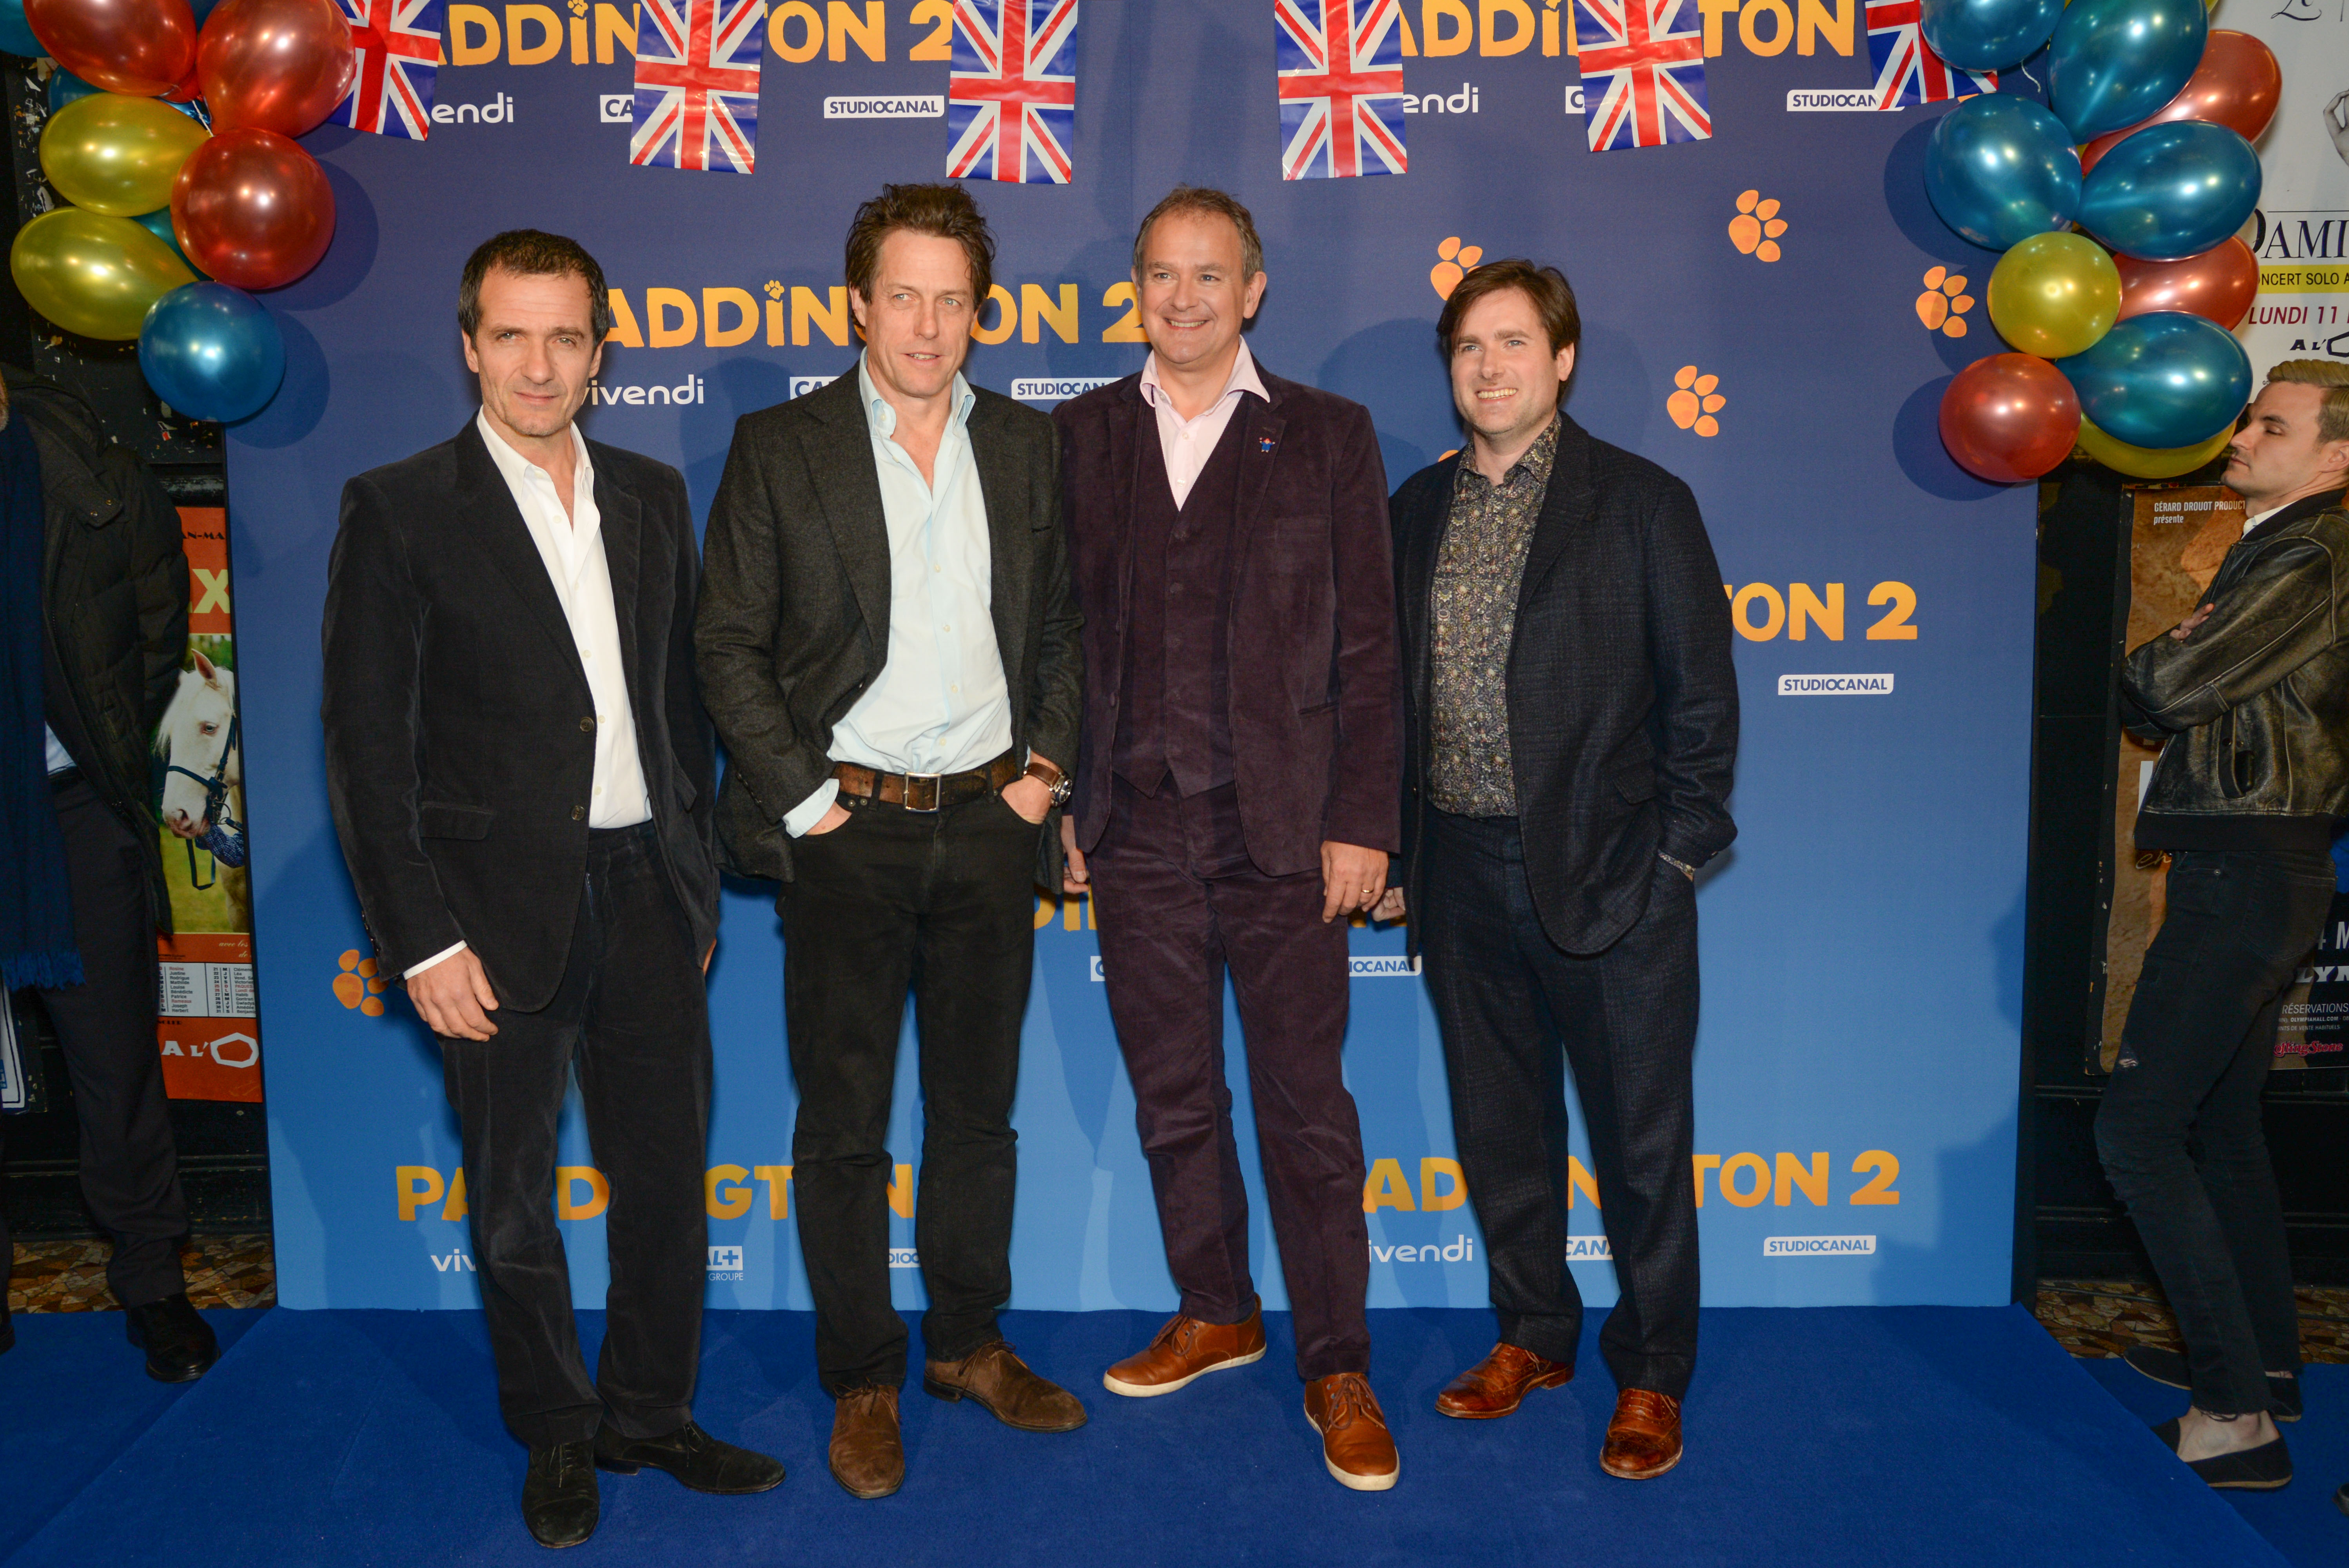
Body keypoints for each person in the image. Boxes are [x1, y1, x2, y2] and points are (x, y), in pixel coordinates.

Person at [321, 230, 782, 1549]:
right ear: (471, 345)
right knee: (515, 1193)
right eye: (513, 336)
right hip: (488, 910)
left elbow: (679, 703)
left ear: (600, 353)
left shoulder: (648, 493)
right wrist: (421, 941)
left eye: (565, 338)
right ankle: (558, 1433)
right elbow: (366, 747)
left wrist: (691, 881)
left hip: (647, 889)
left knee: (665, 1179)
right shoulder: (398, 505)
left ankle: (650, 1413)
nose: (539, 364)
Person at [695, 183, 1087, 1502]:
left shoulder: (1027, 447)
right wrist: (808, 806)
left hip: (991, 823)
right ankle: (863, 1374)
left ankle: (968, 1344)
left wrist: (1042, 779)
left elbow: (1063, 632)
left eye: (952, 301)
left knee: (978, 1114)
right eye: (903, 297)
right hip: (845, 831)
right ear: (858, 305)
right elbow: (726, 643)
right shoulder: (780, 445)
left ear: (981, 314)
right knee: (845, 1124)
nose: (926, 325)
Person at [1054, 186, 1403, 1492]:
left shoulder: (1329, 433)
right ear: (1137, 290)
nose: (1184, 297)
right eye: (1163, 274)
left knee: (1308, 1110)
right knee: (1174, 1097)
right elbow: (1052, 641)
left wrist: (1364, 820)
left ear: (1253, 291)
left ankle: (1337, 1363)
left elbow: (1371, 646)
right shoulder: (1079, 436)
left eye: (1211, 275)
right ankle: (1217, 1310)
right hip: (1134, 831)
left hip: (1289, 837)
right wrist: (1067, 805)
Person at [1378, 259, 1737, 1481]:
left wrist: (1673, 860)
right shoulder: (1416, 509)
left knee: (1641, 1147)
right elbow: (1392, 698)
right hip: (1460, 871)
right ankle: (1533, 1334)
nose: (1489, 367)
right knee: (1501, 1130)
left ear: (1563, 359)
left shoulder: (1641, 503)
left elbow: (1704, 706)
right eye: (1469, 346)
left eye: (1514, 342)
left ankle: (1652, 1372)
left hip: (1612, 878)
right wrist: (1398, 846)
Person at [2102, 359, 2349, 1492]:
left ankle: (2234, 1416)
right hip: (2262, 864)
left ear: (2337, 457)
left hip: (2246, 870)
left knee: (2138, 1132)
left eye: (2273, 427)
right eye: (2250, 419)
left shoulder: (2309, 552)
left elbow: (2164, 686)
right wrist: (2187, 647)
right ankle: (2267, 1370)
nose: (2241, 436)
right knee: (2222, 1125)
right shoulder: (2289, 546)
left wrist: (2176, 647)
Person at [0, 367, 211, 1379]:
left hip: (73, 806)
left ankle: (153, 1279)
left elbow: (157, 639)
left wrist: (102, 750)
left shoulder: (97, 478)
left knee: (116, 1062)